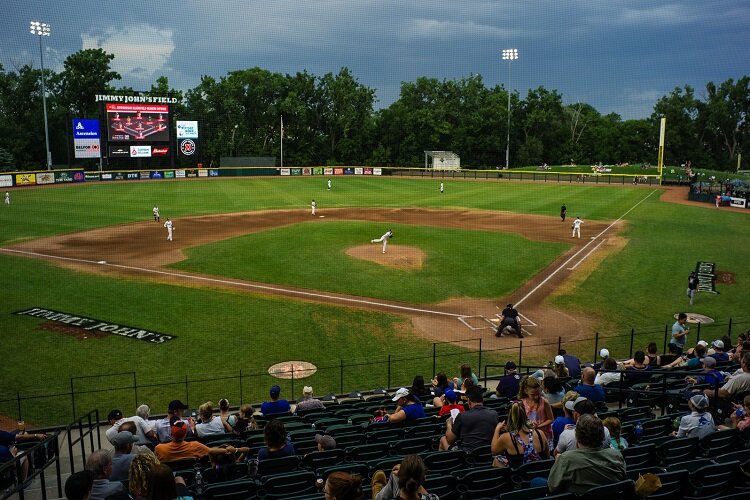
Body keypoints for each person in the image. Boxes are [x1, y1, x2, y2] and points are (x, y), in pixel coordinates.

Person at [546, 415, 626, 495]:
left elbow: (552, 487)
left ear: (577, 436)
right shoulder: (616, 455)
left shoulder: (566, 459)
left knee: (537, 481)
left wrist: (559, 463)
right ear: (602, 436)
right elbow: (622, 478)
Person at [492, 401, 550, 468]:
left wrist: (497, 429)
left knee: (496, 460)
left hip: (521, 477)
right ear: (525, 414)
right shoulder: (540, 433)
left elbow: (494, 451)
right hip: (541, 473)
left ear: (509, 417)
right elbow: (547, 457)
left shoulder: (506, 438)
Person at [439, 386, 497, 452]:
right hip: (488, 452)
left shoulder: (462, 416)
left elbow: (449, 440)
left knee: (443, 439)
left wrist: (449, 424)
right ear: (482, 400)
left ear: (469, 401)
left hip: (467, 456)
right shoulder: (494, 414)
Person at [154, 418, 236, 463]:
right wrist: (227, 450)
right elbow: (211, 451)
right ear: (185, 434)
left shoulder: (159, 448)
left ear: (171, 434)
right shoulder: (195, 446)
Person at [372, 454, 439, 500]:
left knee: (394, 476)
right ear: (423, 479)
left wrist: (403, 474)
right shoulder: (434, 498)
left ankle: (377, 497)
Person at [518, 376, 553, 445]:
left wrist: (539, 426)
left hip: (544, 435)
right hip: (528, 436)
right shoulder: (522, 403)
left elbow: (551, 419)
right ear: (526, 391)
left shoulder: (544, 402)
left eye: (538, 394)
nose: (536, 397)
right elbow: (519, 420)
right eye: (533, 395)